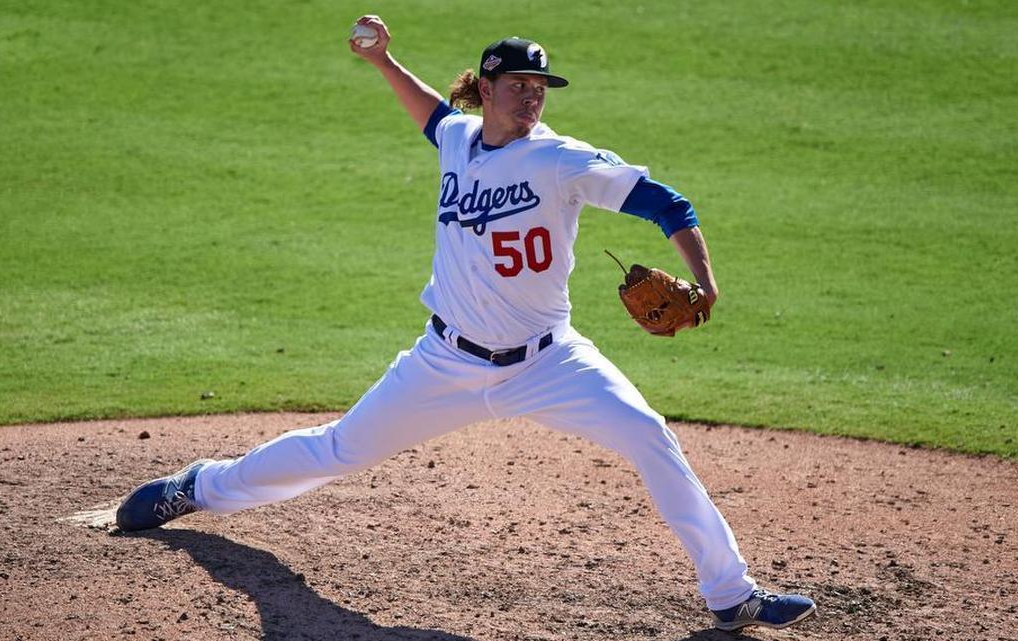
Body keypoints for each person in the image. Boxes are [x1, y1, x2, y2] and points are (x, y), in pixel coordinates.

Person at [114, 15, 817, 632]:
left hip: (550, 362)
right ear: (486, 88)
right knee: (338, 450)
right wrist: (383, 60)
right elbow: (430, 115)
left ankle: (731, 594)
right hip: (444, 362)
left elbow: (668, 204)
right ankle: (199, 486)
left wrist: (705, 278)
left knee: (649, 435)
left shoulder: (561, 158)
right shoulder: (458, 138)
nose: (532, 96)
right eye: (518, 84)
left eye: (540, 87)